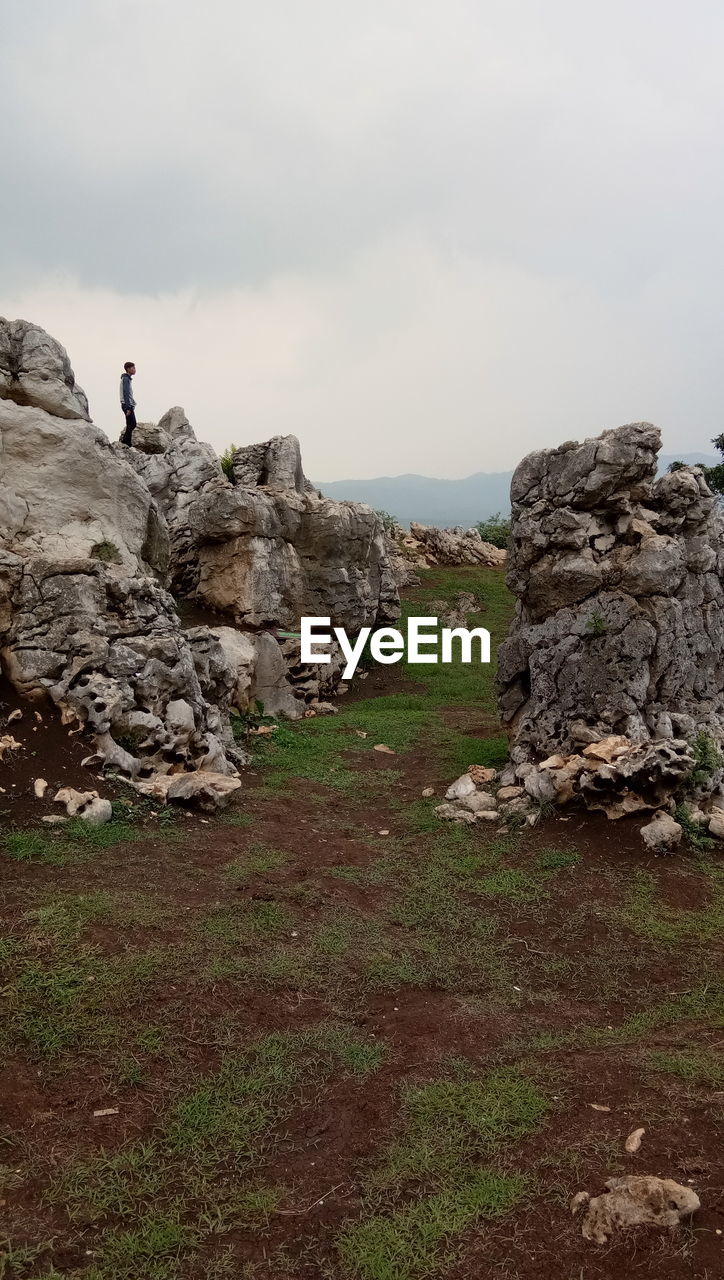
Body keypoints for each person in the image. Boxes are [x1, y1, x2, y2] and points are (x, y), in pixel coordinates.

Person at [119, 361, 137, 445]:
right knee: (132, 423)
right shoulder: (126, 379)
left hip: (127, 405)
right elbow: (126, 393)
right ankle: (126, 443)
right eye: (133, 368)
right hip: (127, 405)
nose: (135, 369)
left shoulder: (127, 379)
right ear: (128, 369)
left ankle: (126, 443)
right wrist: (128, 407)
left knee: (130, 424)